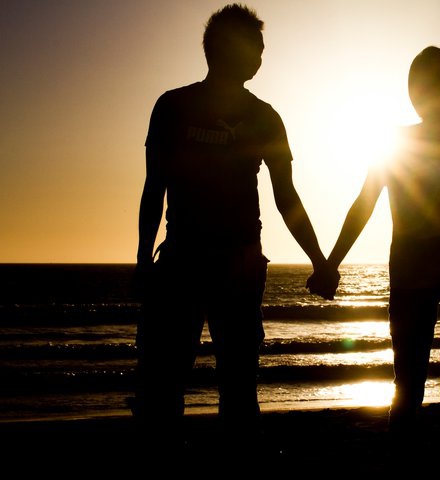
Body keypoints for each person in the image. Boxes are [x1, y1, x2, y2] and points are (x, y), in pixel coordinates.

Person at [131, 3, 337, 443]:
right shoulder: (173, 106)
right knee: (163, 385)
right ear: (227, 49)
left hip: (238, 264)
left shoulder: (265, 117)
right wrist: (143, 261)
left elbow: (286, 196)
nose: (261, 56)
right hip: (184, 260)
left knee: (238, 387)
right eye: (256, 47)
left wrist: (319, 259)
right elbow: (155, 188)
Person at [308, 46, 440, 447]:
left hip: (423, 271)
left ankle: (419, 457)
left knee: (417, 386)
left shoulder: (431, 144)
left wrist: (331, 264)